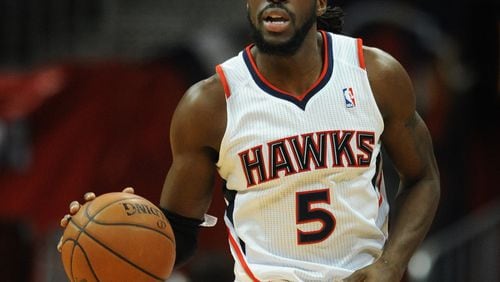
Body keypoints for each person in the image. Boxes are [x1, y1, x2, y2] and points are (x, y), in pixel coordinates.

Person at [59, 0, 440, 281]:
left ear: (321, 3)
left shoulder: (374, 75)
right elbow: (177, 234)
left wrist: (390, 265)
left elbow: (424, 177)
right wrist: (108, 229)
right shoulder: (208, 106)